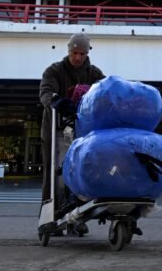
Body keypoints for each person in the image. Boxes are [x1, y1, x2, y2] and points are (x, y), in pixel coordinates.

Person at [39, 33, 105, 220]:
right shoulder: (54, 70)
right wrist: (56, 101)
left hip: (82, 132)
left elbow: (105, 91)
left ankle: (78, 215)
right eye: (74, 53)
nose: (78, 58)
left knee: (81, 171)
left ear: (87, 53)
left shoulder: (94, 73)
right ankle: (50, 214)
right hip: (56, 129)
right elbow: (45, 92)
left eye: (82, 54)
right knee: (54, 173)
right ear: (69, 51)